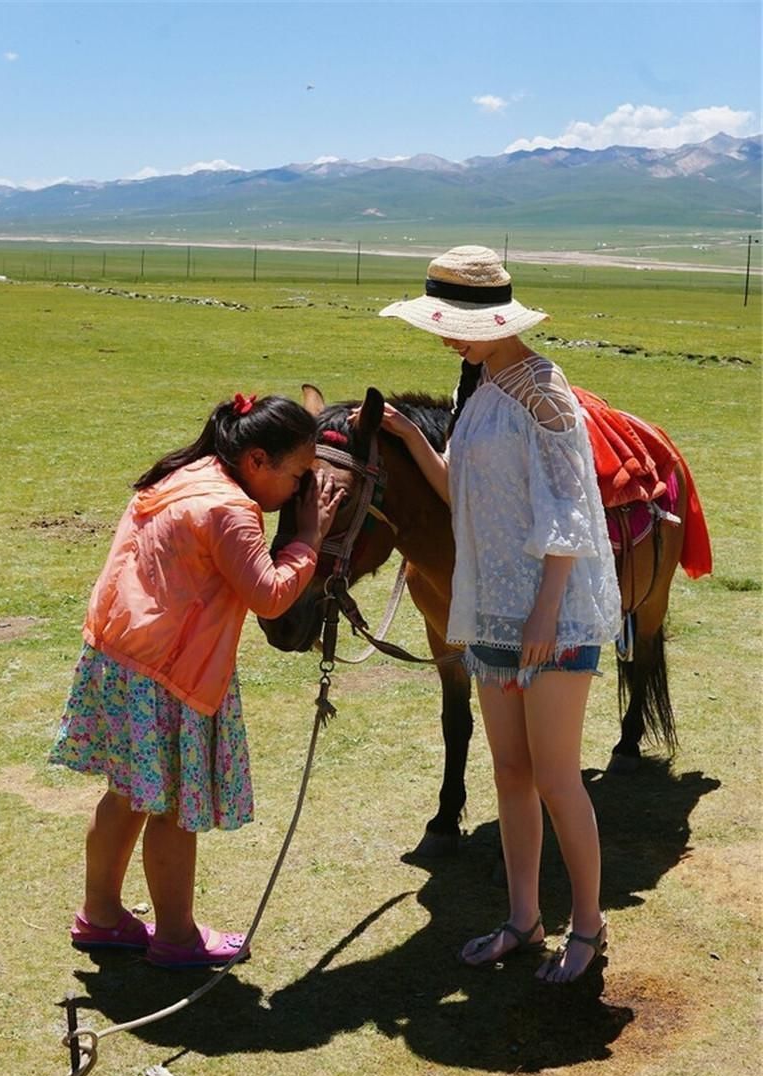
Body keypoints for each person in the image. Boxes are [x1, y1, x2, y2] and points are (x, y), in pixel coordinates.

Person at [358, 245, 622, 983]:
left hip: (550, 617)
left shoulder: (544, 390)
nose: (446, 337)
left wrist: (544, 612)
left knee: (556, 776)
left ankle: (590, 927)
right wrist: (414, 441)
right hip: (493, 611)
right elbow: (464, 498)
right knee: (509, 770)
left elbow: (570, 507)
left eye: (455, 324)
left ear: (493, 318)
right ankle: (523, 916)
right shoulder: (477, 388)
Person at [50, 393, 344, 968]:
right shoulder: (232, 509)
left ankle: (101, 915)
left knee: (129, 792)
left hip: (120, 657)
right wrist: (309, 535)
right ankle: (177, 937)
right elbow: (269, 596)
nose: (302, 488)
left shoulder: (186, 472)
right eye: (299, 475)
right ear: (257, 461)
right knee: (171, 809)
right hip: (170, 673)